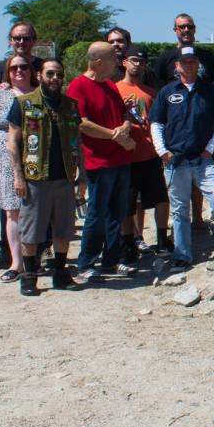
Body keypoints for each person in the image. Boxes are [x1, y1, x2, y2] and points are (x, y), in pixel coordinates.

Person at [150, 46, 214, 270]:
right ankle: (182, 255)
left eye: (193, 61)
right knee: (179, 210)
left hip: (203, 161)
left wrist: (210, 148)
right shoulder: (167, 92)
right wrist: (162, 151)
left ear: (198, 64)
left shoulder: (209, 91)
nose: (189, 65)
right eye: (184, 62)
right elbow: (157, 124)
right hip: (175, 162)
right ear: (177, 66)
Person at [6, 58, 82, 295]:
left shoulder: (70, 105)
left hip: (65, 177)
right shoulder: (23, 104)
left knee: (64, 228)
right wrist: (18, 177)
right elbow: (13, 143)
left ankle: (60, 272)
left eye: (59, 75)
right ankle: (29, 277)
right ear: (39, 75)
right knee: (31, 231)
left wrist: (83, 177)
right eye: (50, 74)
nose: (55, 79)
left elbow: (77, 143)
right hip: (35, 178)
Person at [70, 41, 136, 282]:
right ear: (97, 62)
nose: (117, 64)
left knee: (116, 212)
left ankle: (111, 259)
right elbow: (81, 123)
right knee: (96, 213)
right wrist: (114, 136)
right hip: (99, 162)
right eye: (112, 59)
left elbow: (124, 114)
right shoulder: (78, 86)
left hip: (120, 159)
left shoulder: (110, 85)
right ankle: (86, 262)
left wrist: (125, 128)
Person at [0, 53, 37, 282]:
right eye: (14, 68)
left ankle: (35, 258)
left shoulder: (39, 93)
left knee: (36, 210)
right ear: (7, 72)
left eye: (23, 67)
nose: (19, 71)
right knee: (13, 211)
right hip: (6, 157)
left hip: (35, 155)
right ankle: (17, 262)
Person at [116, 46, 171, 257]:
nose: (137, 64)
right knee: (127, 204)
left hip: (150, 155)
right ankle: (129, 242)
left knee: (161, 199)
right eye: (133, 60)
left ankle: (163, 239)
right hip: (125, 157)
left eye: (141, 61)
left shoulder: (153, 94)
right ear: (124, 63)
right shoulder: (115, 90)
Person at [154, 12, 214, 84]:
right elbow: (158, 86)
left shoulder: (207, 56)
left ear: (195, 29)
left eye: (190, 27)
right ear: (175, 30)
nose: (186, 30)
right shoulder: (165, 58)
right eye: (182, 27)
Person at [0, 21, 44, 87]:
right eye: (17, 38)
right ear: (10, 41)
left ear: (34, 40)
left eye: (26, 38)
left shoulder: (43, 66)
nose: (21, 42)